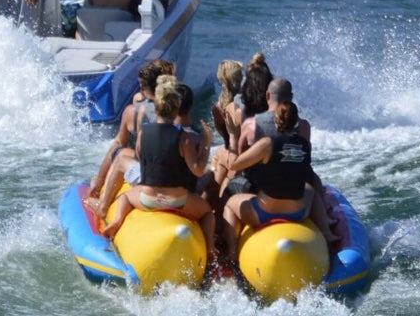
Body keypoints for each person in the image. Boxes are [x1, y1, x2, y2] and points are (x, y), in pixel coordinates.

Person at [220, 87, 337, 263]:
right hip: (298, 212)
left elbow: (236, 164)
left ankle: (232, 253)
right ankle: (327, 235)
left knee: (230, 204)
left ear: (276, 121)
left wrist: (233, 136)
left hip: (265, 212)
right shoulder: (304, 144)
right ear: (296, 122)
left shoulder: (267, 143)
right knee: (310, 191)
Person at [101, 76, 215, 251]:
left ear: (156, 106)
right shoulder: (184, 138)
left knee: (125, 197)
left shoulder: (143, 134)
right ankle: (210, 250)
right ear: (177, 108)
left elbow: (140, 157)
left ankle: (117, 221)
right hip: (178, 202)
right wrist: (206, 142)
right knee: (207, 212)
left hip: (148, 199)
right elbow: (198, 170)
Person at [86, 59, 175, 216]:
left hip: (149, 174)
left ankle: (101, 201)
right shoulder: (176, 109)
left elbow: (119, 144)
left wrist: (98, 183)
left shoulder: (132, 110)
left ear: (142, 86)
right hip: (174, 176)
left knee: (120, 152)